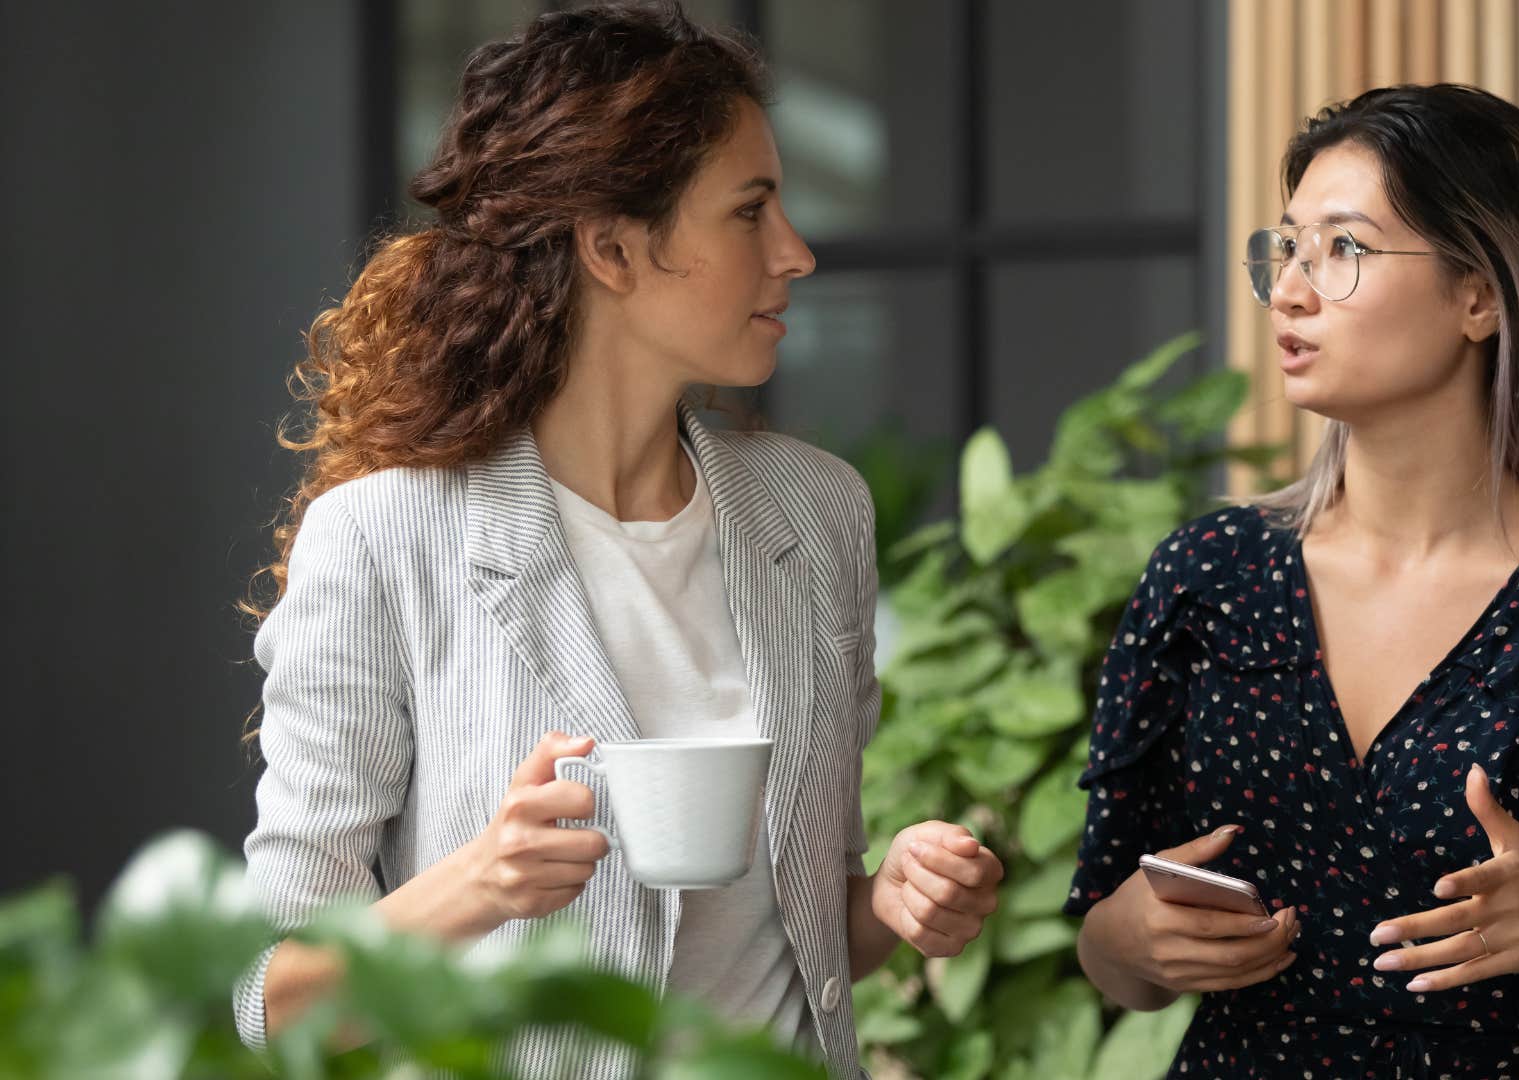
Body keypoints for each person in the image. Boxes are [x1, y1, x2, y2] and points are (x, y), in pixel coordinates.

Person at [233, 5, 1000, 1077]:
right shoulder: (381, 539)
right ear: (611, 246)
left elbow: (801, 928)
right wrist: (483, 883)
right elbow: (274, 1001)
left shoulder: (817, 513)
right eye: (751, 210)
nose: (798, 252)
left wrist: (892, 898)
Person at [1066, 84, 1519, 1079]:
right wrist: (1129, 943)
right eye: (1286, 250)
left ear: (1480, 294)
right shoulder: (1204, 579)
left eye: (1345, 250)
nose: (1293, 291)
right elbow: (1111, 956)